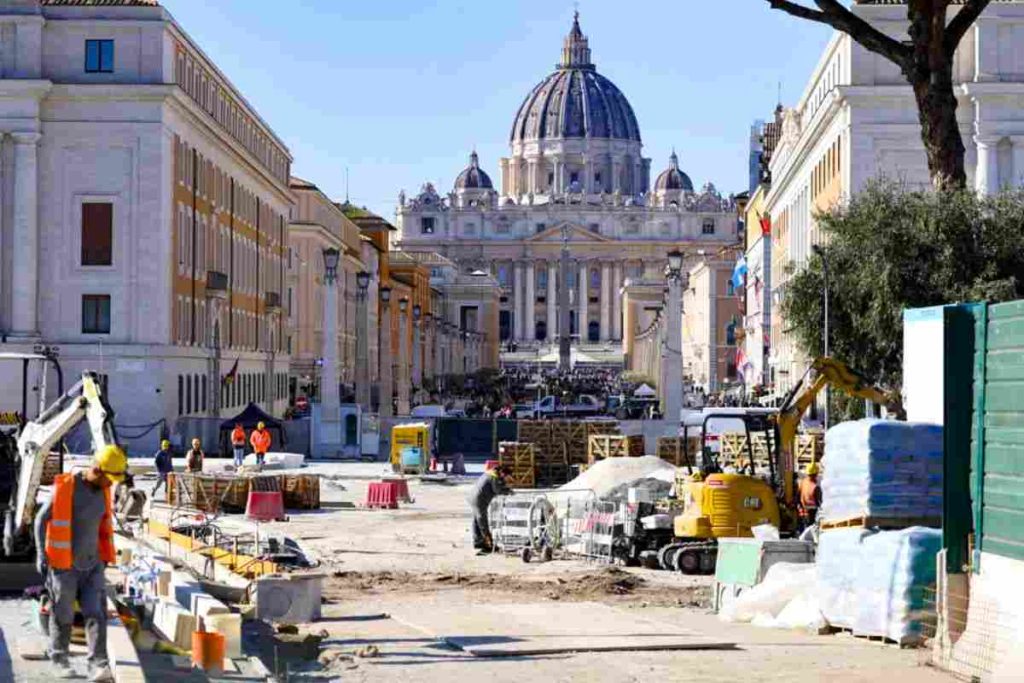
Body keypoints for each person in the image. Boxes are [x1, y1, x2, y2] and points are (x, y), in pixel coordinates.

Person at [34, 444, 128, 682]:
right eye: (109, 478)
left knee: (96, 613)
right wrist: (40, 555)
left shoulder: (103, 491)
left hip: (93, 564)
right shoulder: (67, 488)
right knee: (63, 614)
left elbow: (101, 526)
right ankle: (59, 659)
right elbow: (40, 519)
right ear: (97, 470)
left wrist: (104, 558)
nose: (112, 484)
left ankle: (98, 665)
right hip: (64, 566)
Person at [467, 464, 512, 555]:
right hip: (479, 500)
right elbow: (497, 490)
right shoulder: (494, 477)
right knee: (483, 523)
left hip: (473, 498)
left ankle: (478, 542)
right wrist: (508, 491)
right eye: (508, 477)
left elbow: (495, 486)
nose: (508, 479)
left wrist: (503, 483)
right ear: (503, 474)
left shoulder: (490, 473)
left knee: (477, 521)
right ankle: (488, 545)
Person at [798, 462, 823, 530]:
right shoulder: (815, 487)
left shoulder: (803, 482)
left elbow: (798, 495)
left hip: (802, 512)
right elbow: (819, 502)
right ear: (815, 474)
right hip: (812, 513)